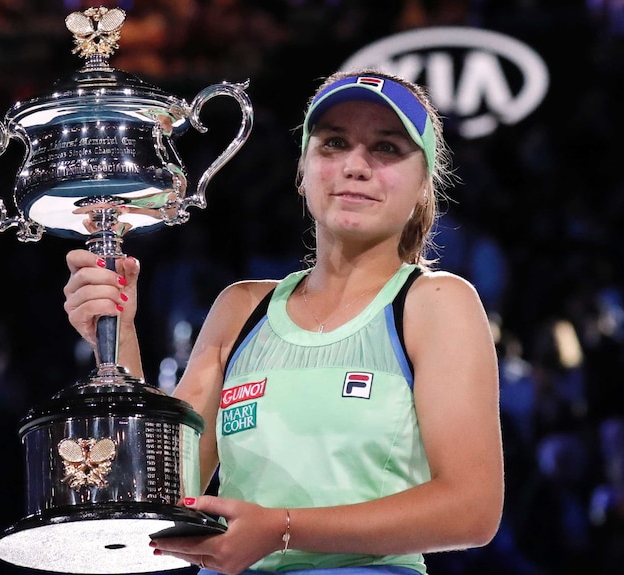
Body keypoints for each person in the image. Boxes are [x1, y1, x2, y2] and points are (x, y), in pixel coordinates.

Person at [62, 69, 504, 575]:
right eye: (334, 143)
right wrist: (115, 340)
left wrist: (284, 527)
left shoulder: (436, 302)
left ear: (424, 182)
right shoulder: (240, 309)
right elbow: (157, 491)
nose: (355, 166)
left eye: (386, 148)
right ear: (303, 169)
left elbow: (472, 509)